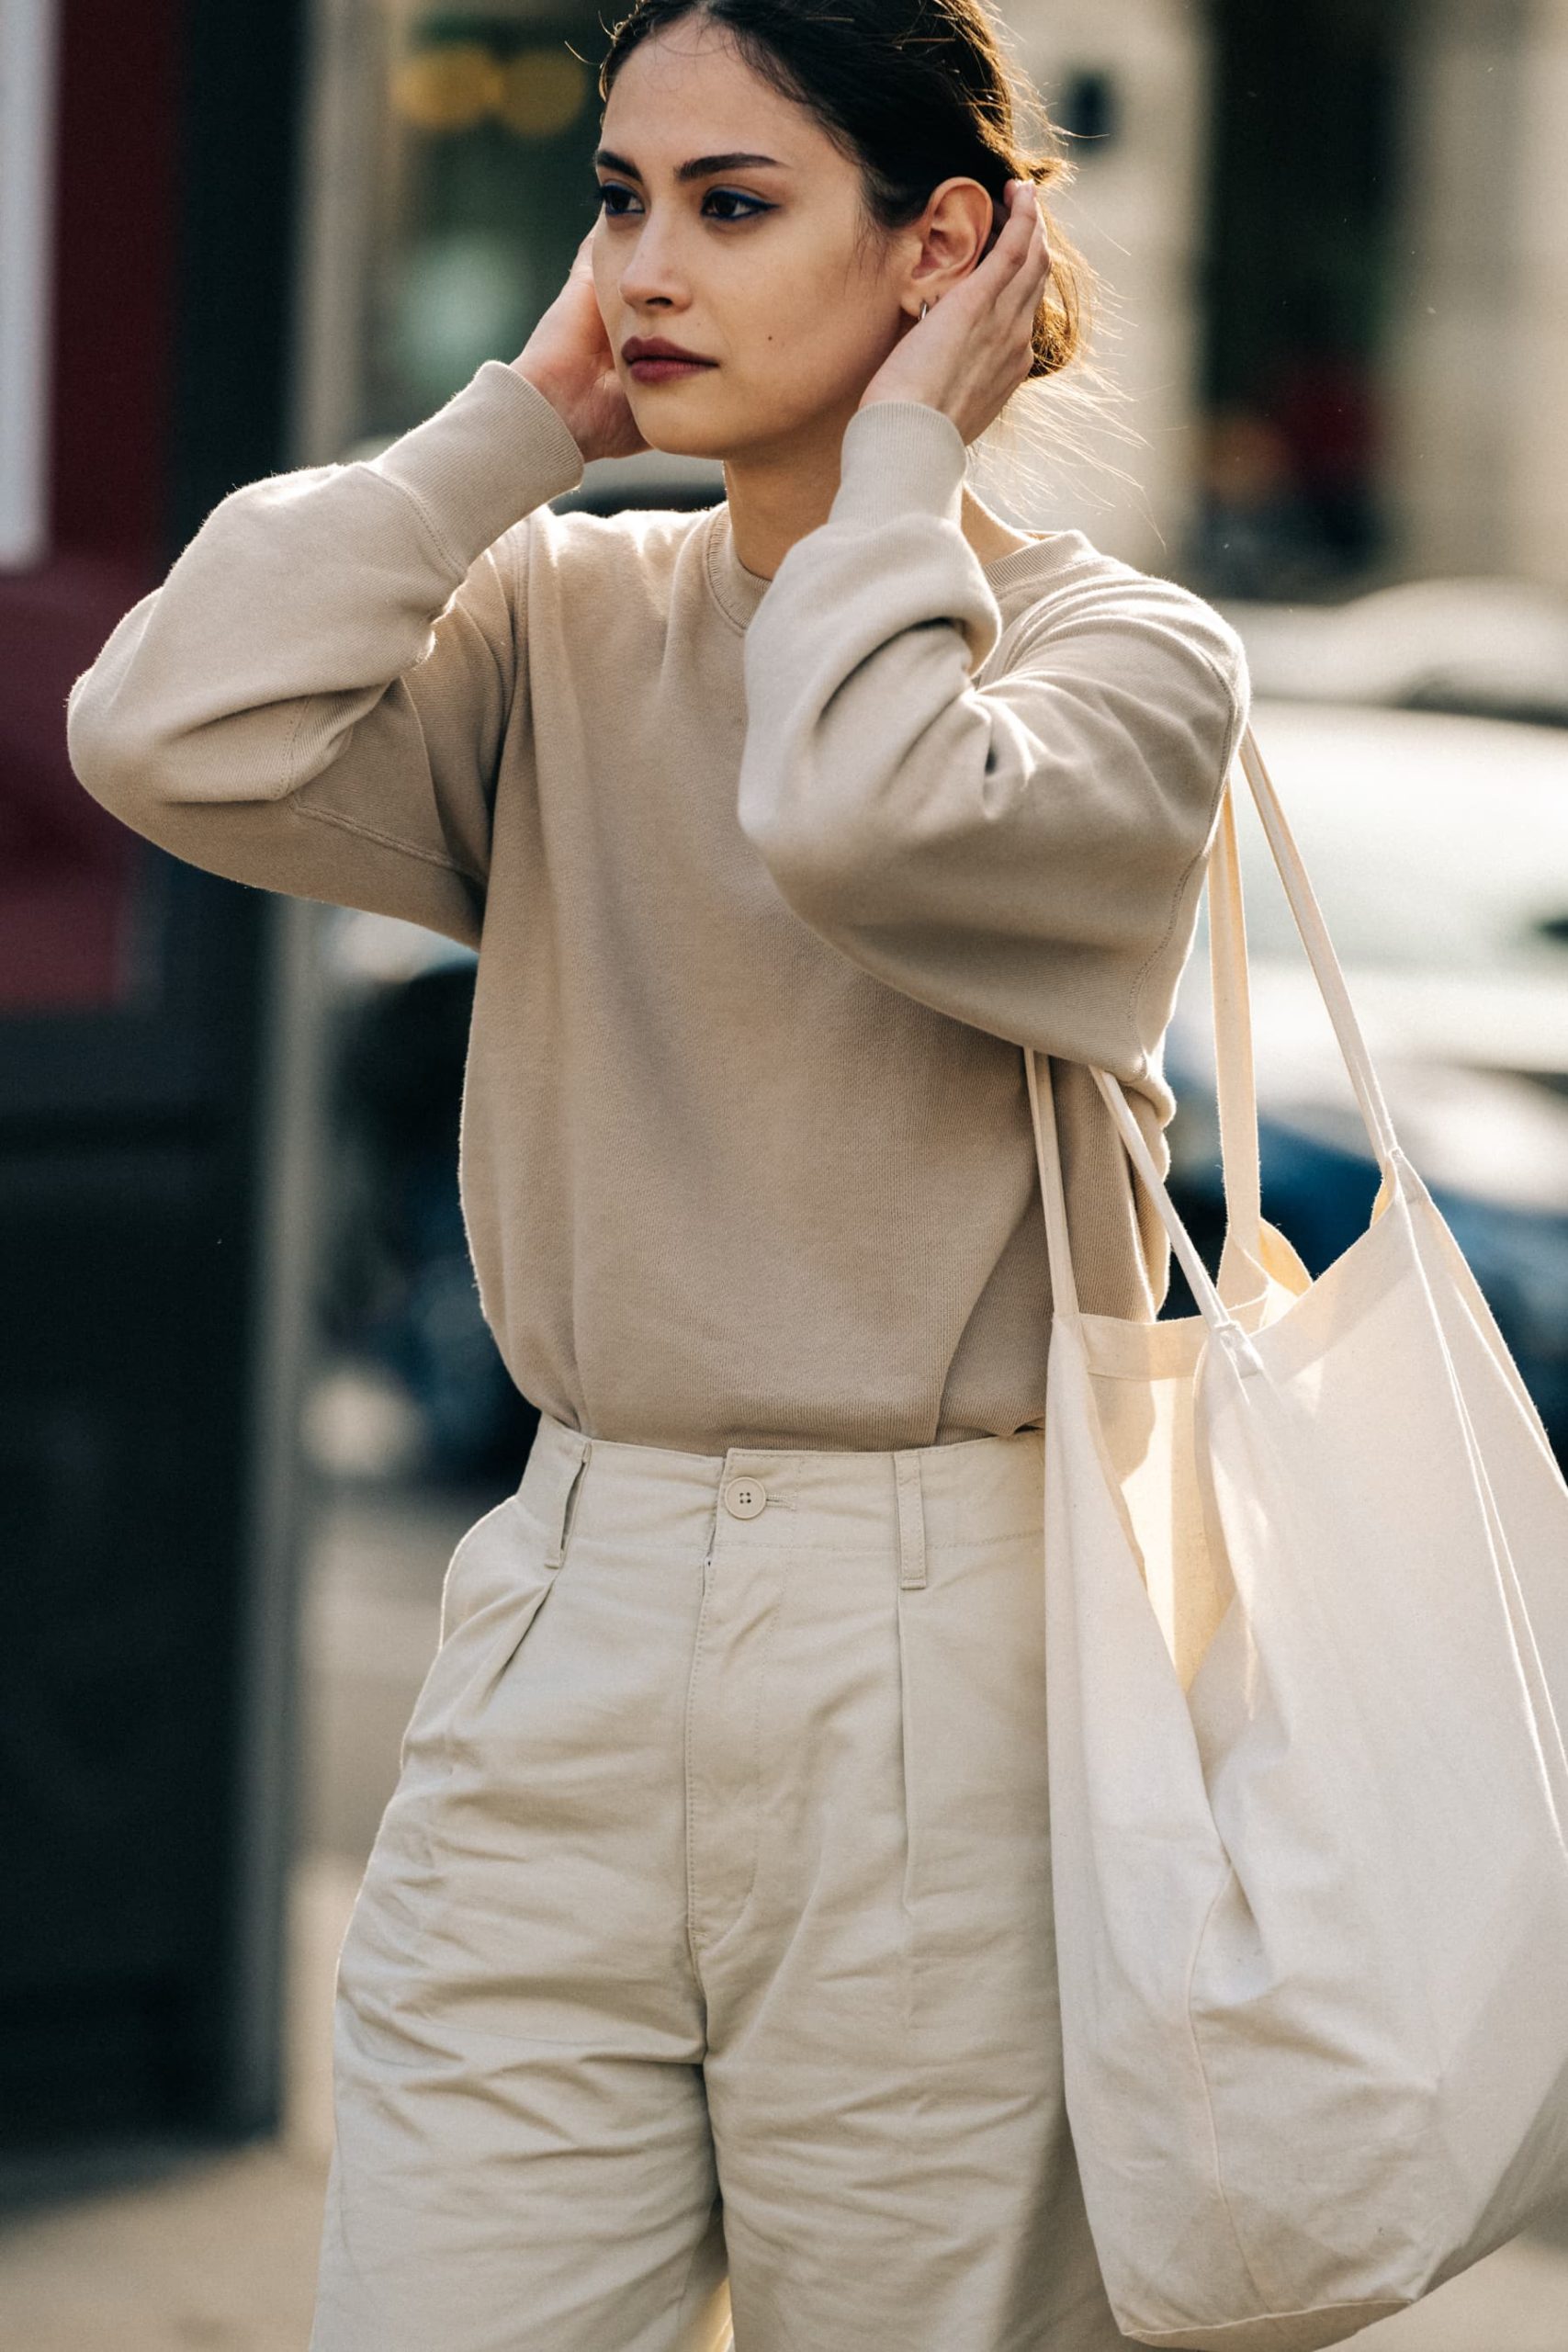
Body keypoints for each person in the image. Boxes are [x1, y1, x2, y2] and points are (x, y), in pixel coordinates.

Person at [65, 0, 1250, 2342]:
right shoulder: (564, 619)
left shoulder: (1117, 662)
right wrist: (518, 429)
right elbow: (157, 723)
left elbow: (859, 808)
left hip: (946, 1656)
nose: (643, 273)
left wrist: (898, 472)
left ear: (944, 249)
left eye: (729, 206)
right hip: (567, 1600)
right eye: (617, 200)